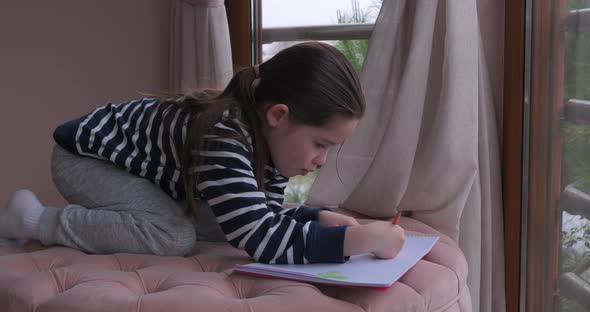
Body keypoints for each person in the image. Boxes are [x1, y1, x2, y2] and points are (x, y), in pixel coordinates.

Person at [0, 42, 405, 263]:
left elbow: (256, 213)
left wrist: (317, 217)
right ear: (279, 115)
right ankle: (34, 219)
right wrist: (354, 241)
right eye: (321, 145)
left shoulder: (271, 147)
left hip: (146, 170)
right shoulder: (224, 136)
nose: (320, 161)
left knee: (214, 225)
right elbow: (261, 237)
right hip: (87, 156)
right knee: (173, 235)